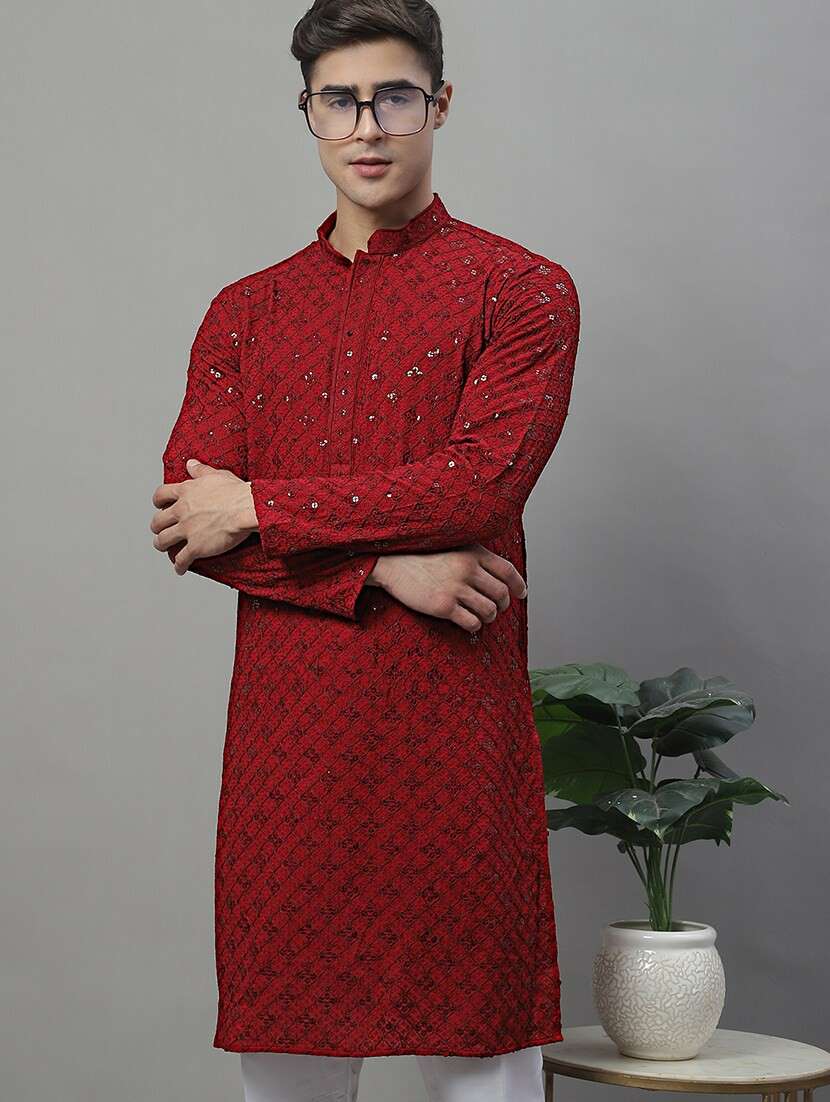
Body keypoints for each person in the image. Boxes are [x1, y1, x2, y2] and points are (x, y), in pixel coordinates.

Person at [149, 1, 580, 1099]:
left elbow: (478, 485)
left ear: (439, 103)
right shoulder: (244, 313)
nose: (367, 127)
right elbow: (194, 524)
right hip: (285, 757)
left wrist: (260, 505)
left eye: (394, 97)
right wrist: (390, 567)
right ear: (307, 112)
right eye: (337, 102)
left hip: (453, 742)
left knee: (480, 1052)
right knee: (286, 1061)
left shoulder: (520, 290)